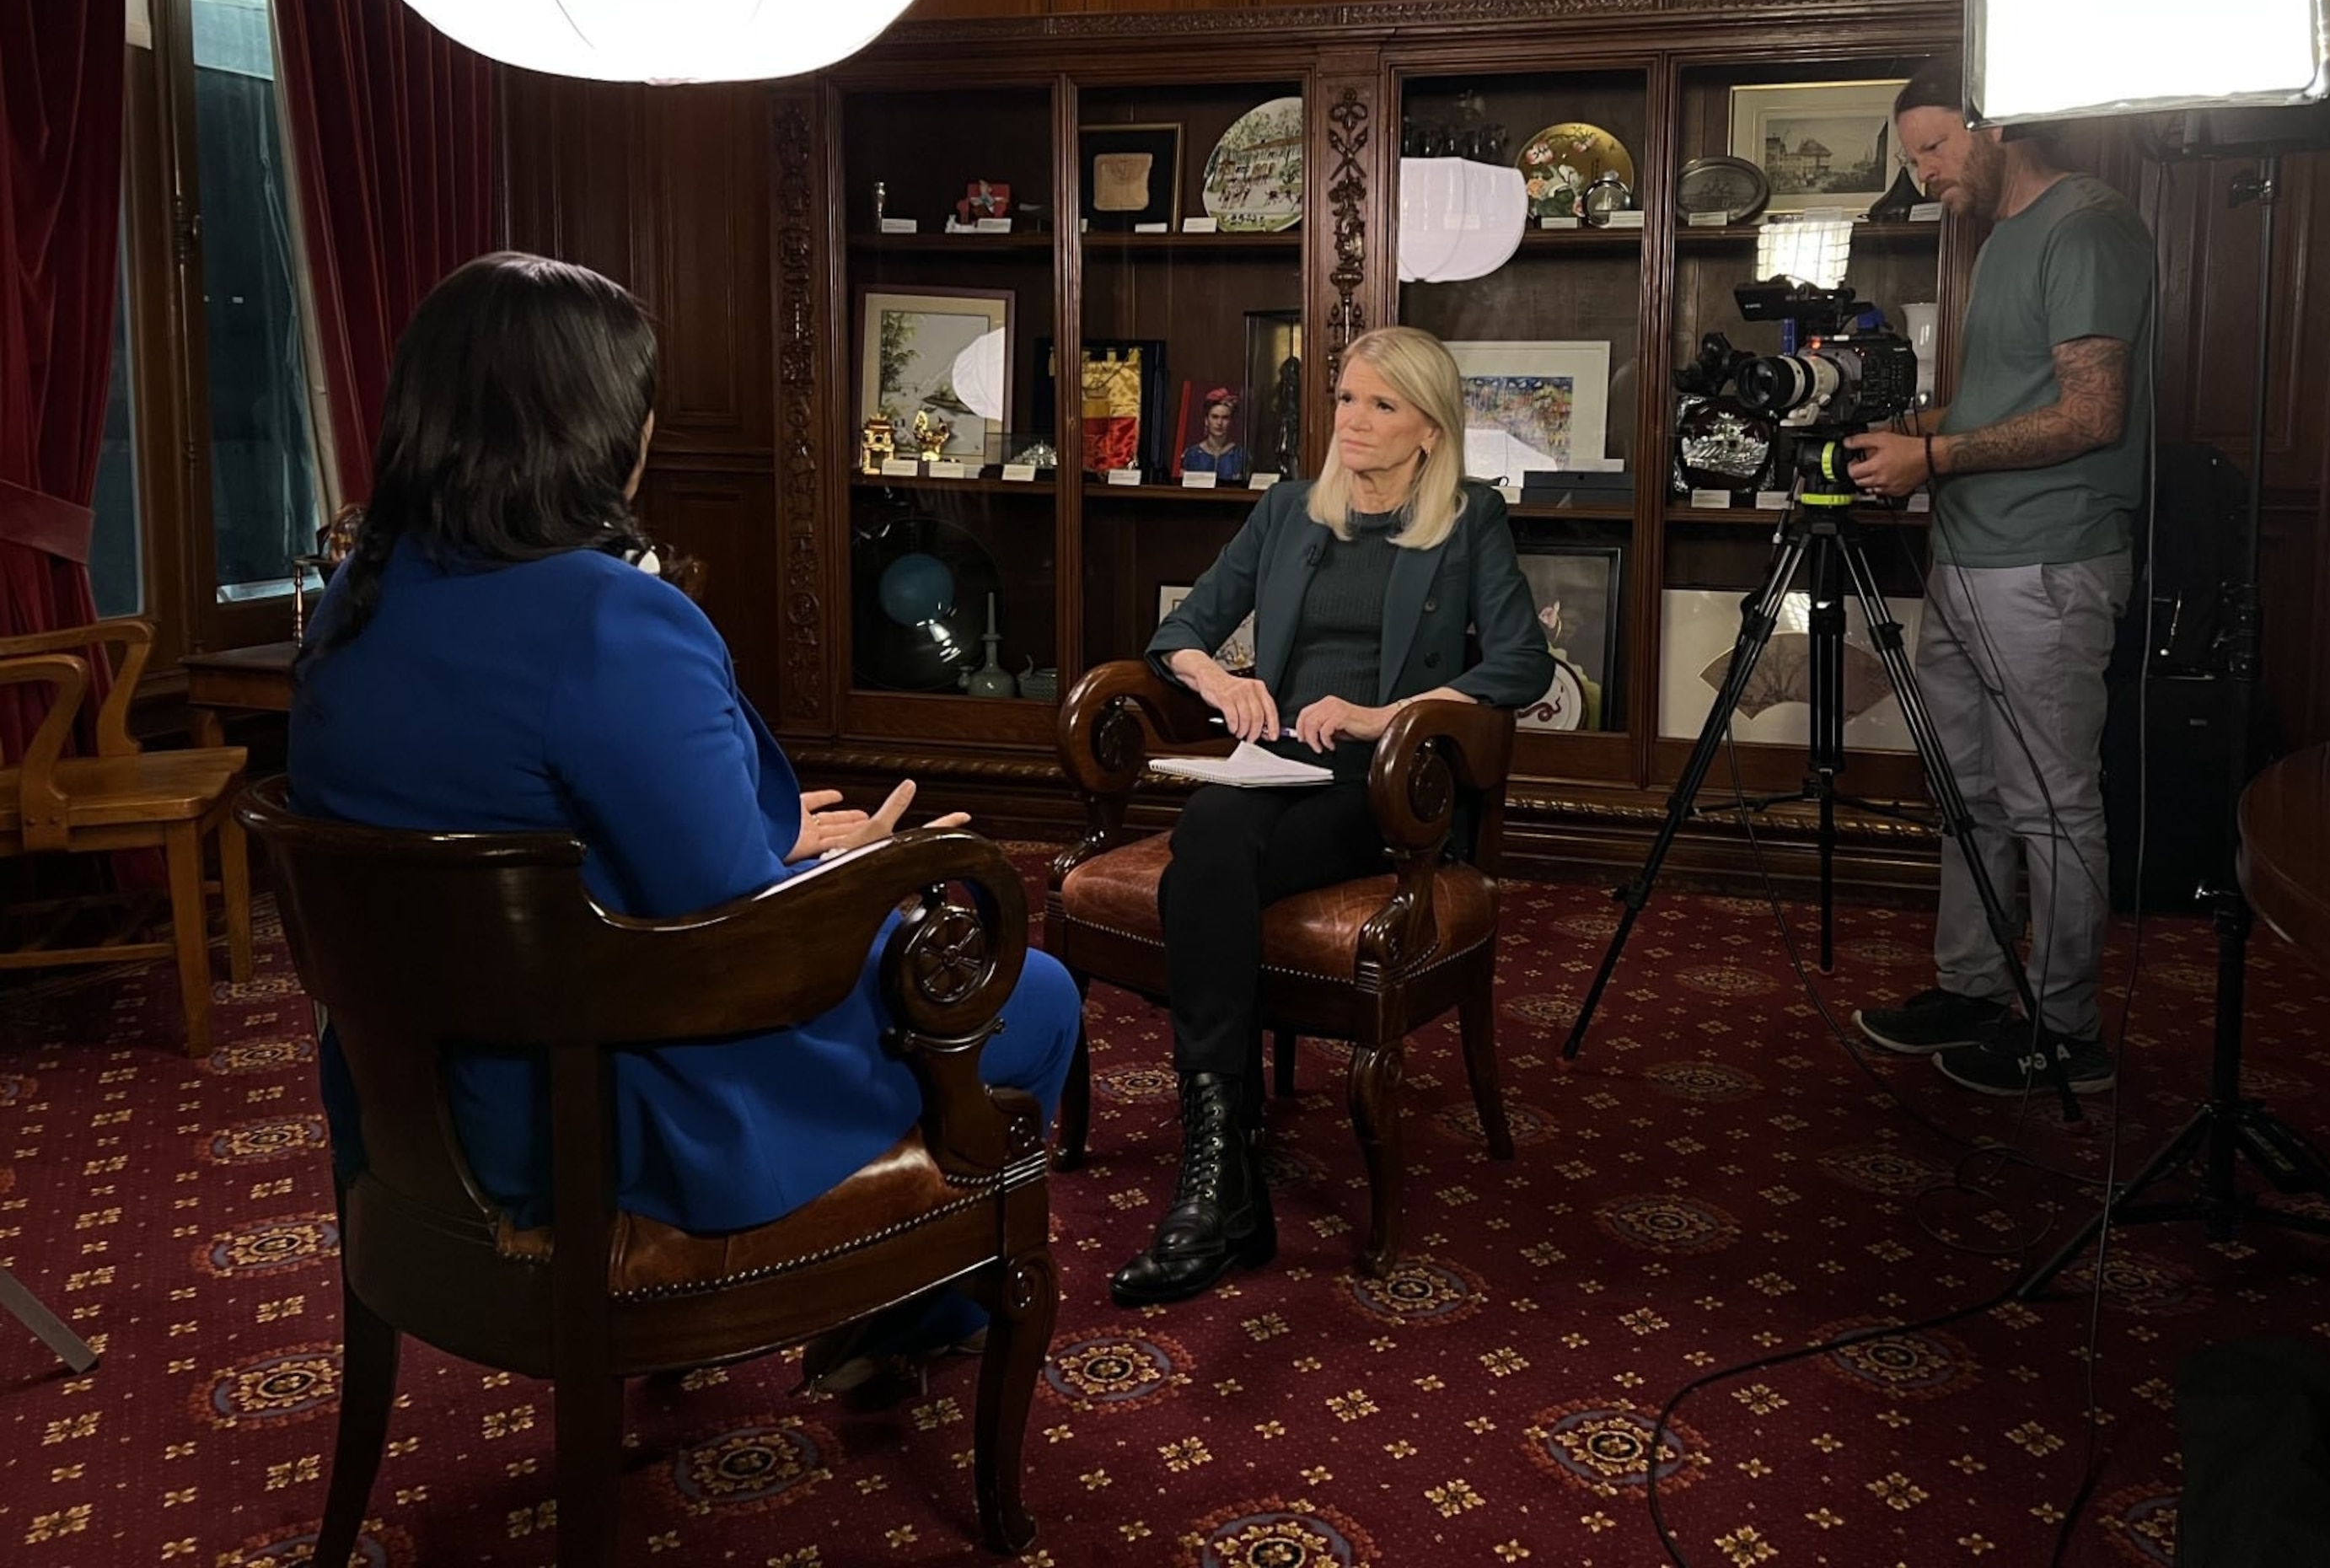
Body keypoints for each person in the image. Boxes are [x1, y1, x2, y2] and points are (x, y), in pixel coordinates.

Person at [290, 253, 1080, 1399]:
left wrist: (767, 840)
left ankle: (893, 1306)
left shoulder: (354, 605)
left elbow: (512, 835)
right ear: (606, 426)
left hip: (421, 1111)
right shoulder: (608, 616)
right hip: (605, 1114)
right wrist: (860, 869)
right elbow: (736, 933)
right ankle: (905, 1311)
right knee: (1032, 995)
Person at [1115, 325, 1553, 1306]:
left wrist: (1384, 715)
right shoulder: (1287, 510)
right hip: (1273, 769)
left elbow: (1522, 665)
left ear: (1429, 431)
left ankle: (1221, 1192)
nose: (1353, 422)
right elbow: (1177, 631)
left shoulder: (1469, 521)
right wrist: (1219, 680)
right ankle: (1223, 1168)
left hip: (1386, 789)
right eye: (1347, 400)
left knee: (1206, 860)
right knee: (1210, 840)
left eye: (1381, 406)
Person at [1839, 56, 2153, 1097]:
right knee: (1965, 790)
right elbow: (1999, 402)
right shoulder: (2001, 238)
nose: (1924, 172)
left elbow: (2088, 416)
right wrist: (1912, 431)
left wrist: (1929, 460)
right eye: (1913, 154)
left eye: (1934, 147)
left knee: (2051, 800)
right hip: (1969, 555)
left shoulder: (2085, 225)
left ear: (1994, 123)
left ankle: (2067, 1031)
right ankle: (1973, 989)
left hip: (2050, 559)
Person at [1181, 384, 1252, 482]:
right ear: (1206, 420)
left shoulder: (1241, 455)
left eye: (1225, 418)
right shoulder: (1192, 454)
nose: (1219, 423)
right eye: (1215, 417)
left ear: (1231, 421)